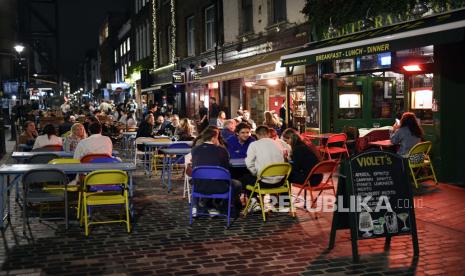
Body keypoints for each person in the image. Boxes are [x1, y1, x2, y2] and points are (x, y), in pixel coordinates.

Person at [191, 127, 242, 216]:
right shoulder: (222, 150)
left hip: (199, 186)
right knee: (237, 184)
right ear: (214, 138)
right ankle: (225, 207)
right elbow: (226, 169)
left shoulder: (195, 150)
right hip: (220, 187)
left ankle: (205, 206)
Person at [242, 126, 286, 211]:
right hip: (280, 182)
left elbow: (249, 163)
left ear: (256, 135)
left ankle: (254, 202)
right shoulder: (279, 143)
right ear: (268, 133)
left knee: (244, 179)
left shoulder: (254, 145)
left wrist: (256, 174)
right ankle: (284, 204)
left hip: (264, 183)